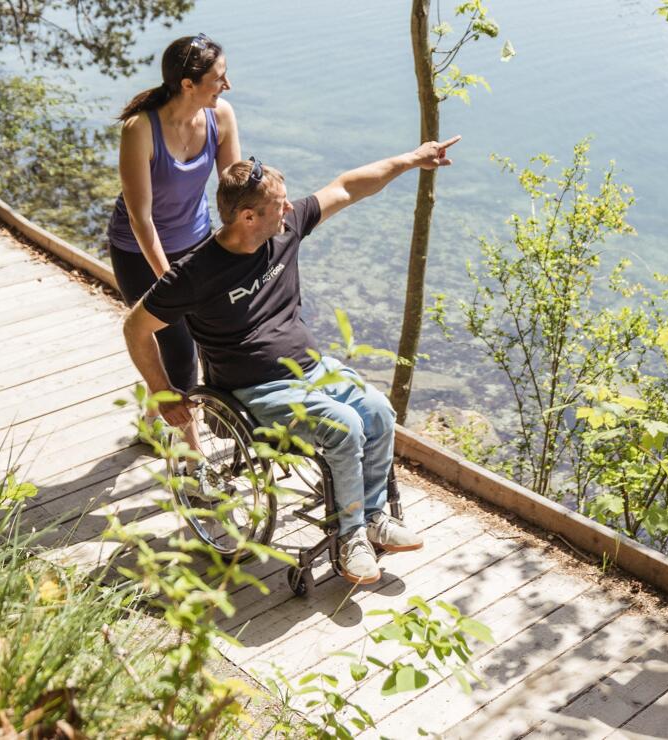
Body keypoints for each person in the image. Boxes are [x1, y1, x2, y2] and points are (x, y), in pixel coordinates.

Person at [122, 136, 462, 585]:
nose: (289, 210)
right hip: (253, 392)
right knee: (344, 426)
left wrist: (412, 159)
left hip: (313, 370)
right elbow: (135, 327)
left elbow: (346, 187)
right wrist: (165, 394)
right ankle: (350, 537)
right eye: (279, 206)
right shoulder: (195, 272)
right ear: (247, 217)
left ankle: (373, 516)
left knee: (379, 410)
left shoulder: (283, 228)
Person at [106, 32, 240, 393]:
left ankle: (180, 417)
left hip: (195, 240)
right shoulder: (140, 129)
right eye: (218, 78)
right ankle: (184, 443)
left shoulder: (221, 116)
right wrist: (170, 282)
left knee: (215, 332)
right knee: (179, 347)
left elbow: (233, 191)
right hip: (139, 250)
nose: (227, 85)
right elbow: (140, 219)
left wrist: (261, 217)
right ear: (187, 84)